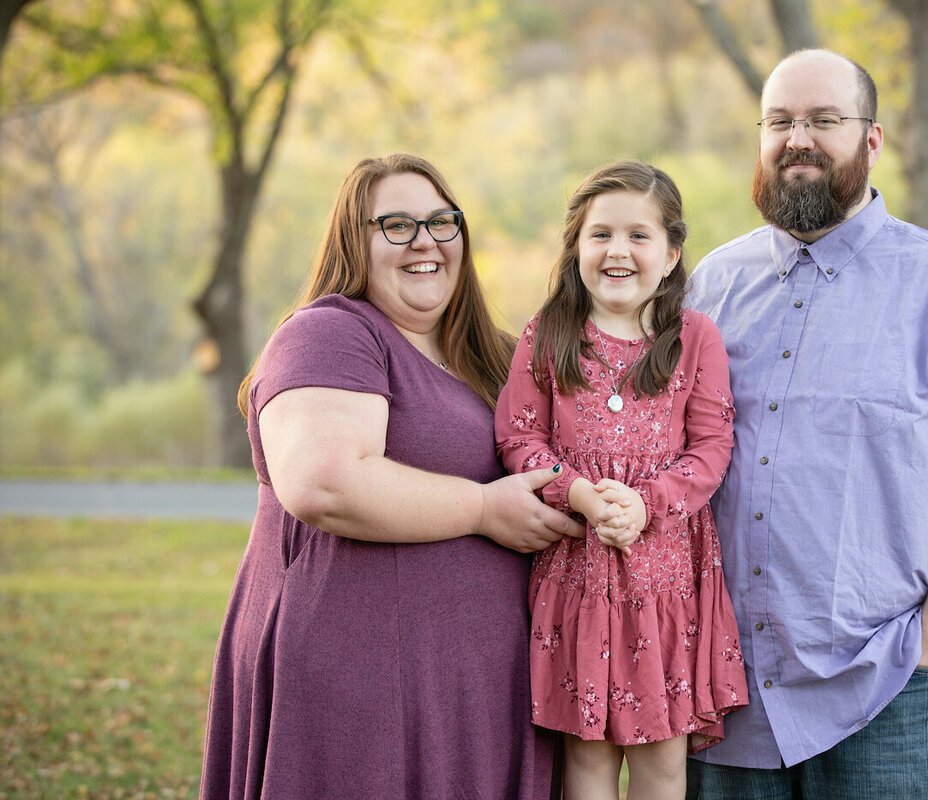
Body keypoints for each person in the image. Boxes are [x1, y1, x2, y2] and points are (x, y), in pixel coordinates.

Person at [685, 50, 928, 799]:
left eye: (825, 120)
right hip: (731, 692)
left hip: (888, 688)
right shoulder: (711, 285)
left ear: (872, 140)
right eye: (779, 121)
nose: (798, 137)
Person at [199, 153, 583, 800]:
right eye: (397, 225)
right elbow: (324, 483)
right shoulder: (332, 333)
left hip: (480, 695)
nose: (426, 241)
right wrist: (484, 510)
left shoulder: (493, 353)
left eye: (442, 221)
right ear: (355, 239)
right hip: (364, 694)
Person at [495, 161, 748, 800]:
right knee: (587, 757)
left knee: (663, 758)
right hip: (577, 576)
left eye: (639, 235)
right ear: (577, 248)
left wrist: (648, 503)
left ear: (670, 254)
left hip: (665, 580)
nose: (618, 250)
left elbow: (711, 447)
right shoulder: (548, 335)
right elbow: (519, 437)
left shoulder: (693, 338)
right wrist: (575, 492)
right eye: (600, 234)